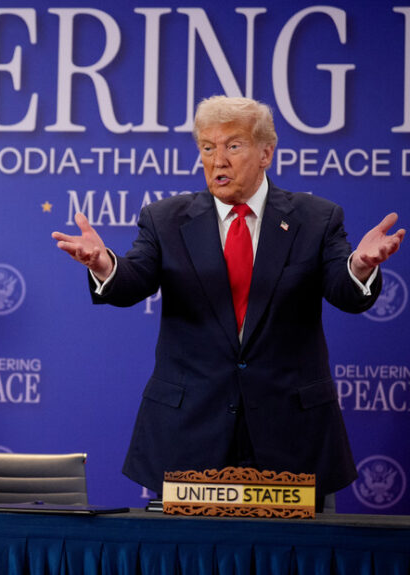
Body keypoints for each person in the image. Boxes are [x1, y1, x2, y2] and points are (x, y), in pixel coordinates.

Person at [52, 96, 405, 501]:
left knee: (295, 546)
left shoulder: (316, 218)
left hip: (291, 436)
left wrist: (360, 266)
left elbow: (345, 291)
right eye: (207, 147)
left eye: (233, 146)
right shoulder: (165, 219)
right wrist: (104, 264)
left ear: (266, 153)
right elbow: (133, 280)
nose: (218, 160)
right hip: (190, 433)